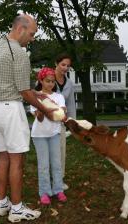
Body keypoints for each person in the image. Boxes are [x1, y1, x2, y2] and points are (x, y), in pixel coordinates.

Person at [0, 14, 54, 223]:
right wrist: (46, 109)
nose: (32, 38)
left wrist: (35, 92)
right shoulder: (19, 53)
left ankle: (2, 204)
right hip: (10, 111)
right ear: (21, 29)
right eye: (31, 34)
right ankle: (16, 209)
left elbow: (10, 82)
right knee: (17, 160)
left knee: (3, 157)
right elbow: (23, 92)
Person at [31, 67, 67, 205]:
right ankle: (44, 192)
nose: (51, 84)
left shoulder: (59, 97)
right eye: (47, 81)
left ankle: (58, 190)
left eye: (53, 81)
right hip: (39, 135)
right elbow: (39, 119)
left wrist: (59, 113)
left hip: (54, 134)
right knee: (44, 165)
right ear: (41, 80)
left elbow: (61, 116)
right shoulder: (35, 96)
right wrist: (43, 109)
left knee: (57, 164)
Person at [54, 53, 76, 190]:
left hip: (61, 123)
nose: (65, 68)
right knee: (49, 154)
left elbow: (71, 103)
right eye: (63, 64)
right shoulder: (46, 78)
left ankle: (59, 180)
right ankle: (48, 181)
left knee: (61, 152)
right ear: (56, 63)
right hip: (46, 122)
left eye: (68, 66)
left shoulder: (69, 83)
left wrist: (72, 122)